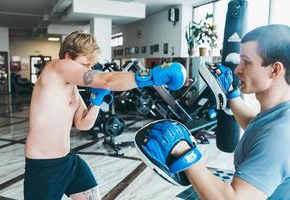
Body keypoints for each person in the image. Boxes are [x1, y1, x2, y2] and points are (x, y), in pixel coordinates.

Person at [24, 31, 186, 200]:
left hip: (68, 161)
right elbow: (105, 79)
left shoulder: (71, 87)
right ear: (67, 57)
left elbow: (83, 124)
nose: (88, 70)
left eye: (90, 66)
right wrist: (152, 76)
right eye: (85, 64)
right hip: (43, 167)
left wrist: (97, 100)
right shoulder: (56, 67)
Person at [137, 24, 290, 199]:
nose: (237, 69)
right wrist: (232, 95)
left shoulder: (279, 135)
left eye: (246, 62)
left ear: (275, 69)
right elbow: (255, 126)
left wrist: (185, 153)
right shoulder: (279, 115)